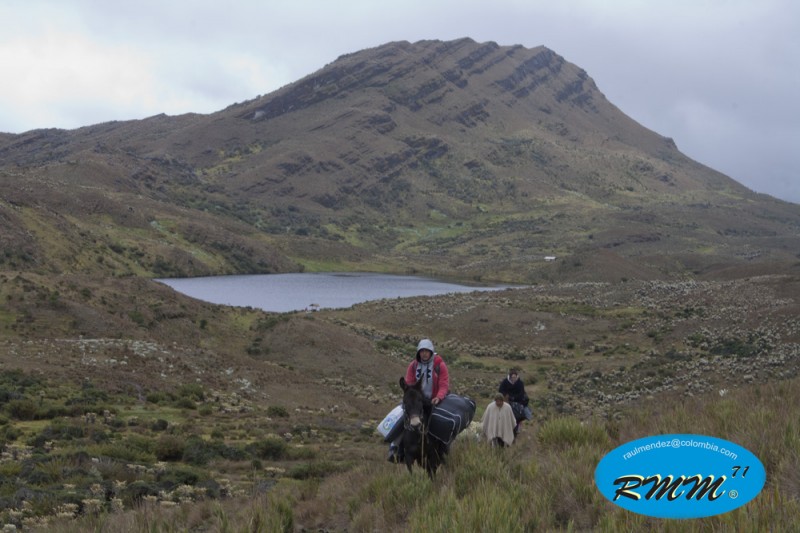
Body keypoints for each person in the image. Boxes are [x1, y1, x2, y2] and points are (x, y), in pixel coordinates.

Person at [388, 338, 450, 462]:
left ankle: (443, 449)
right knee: (402, 415)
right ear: (418, 352)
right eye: (422, 351)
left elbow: (444, 384)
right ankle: (395, 447)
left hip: (433, 399)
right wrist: (411, 396)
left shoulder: (439, 365)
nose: (424, 354)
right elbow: (410, 382)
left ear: (431, 351)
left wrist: (439, 397)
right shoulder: (414, 365)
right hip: (417, 399)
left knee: (440, 421)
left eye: (427, 351)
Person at [498, 368, 532, 434]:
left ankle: (519, 425)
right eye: (512, 377)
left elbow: (521, 393)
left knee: (521, 412)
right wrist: (506, 396)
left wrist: (513, 398)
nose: (513, 379)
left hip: (518, 400)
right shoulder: (505, 382)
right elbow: (501, 390)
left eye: (515, 377)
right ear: (510, 377)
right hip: (506, 399)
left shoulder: (520, 383)